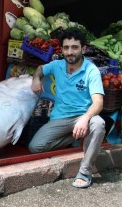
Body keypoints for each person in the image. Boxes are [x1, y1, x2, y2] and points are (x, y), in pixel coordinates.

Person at [29, 28, 106, 188]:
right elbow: (41, 69)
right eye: (66, 48)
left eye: (75, 47)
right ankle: (76, 137)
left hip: (83, 117)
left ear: (83, 49)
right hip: (60, 117)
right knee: (35, 147)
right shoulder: (57, 65)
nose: (70, 52)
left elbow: (98, 102)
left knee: (98, 125)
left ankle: (84, 172)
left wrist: (85, 119)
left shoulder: (91, 70)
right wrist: (36, 79)